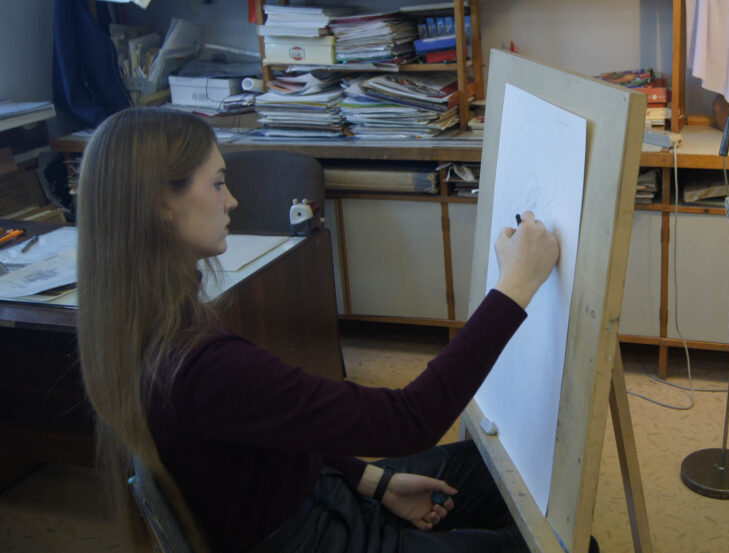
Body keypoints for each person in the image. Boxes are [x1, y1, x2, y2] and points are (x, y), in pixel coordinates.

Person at [76, 107, 560, 553]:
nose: (232, 200)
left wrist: (376, 482)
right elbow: (410, 419)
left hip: (318, 495)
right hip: (318, 534)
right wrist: (515, 286)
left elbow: (281, 429)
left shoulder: (145, 329)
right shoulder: (201, 367)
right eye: (218, 184)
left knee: (516, 477)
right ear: (162, 203)